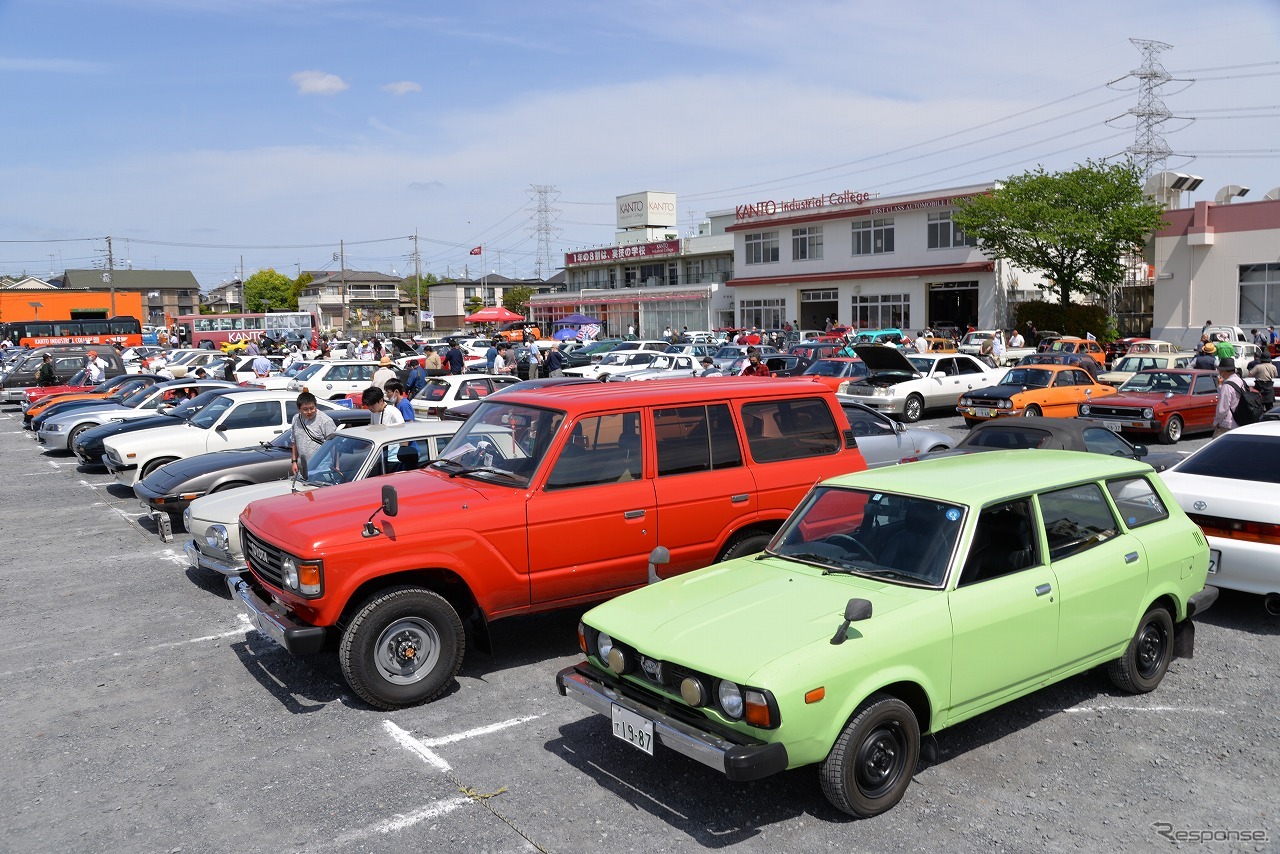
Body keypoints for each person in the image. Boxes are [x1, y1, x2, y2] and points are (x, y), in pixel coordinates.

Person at [290, 391, 337, 474]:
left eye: (312, 408)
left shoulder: (325, 421)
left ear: (316, 406)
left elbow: (335, 445)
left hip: (322, 467)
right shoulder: (296, 419)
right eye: (305, 409)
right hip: (305, 466)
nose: (309, 412)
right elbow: (294, 442)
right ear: (299, 409)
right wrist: (294, 461)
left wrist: (337, 466)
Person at [1213, 358, 1244, 437]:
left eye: (1219, 370)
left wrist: (1216, 422)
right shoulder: (1240, 381)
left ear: (1223, 371)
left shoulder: (1227, 386)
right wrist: (1220, 385)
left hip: (1227, 423)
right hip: (1239, 420)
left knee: (1216, 447)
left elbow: (1222, 409)